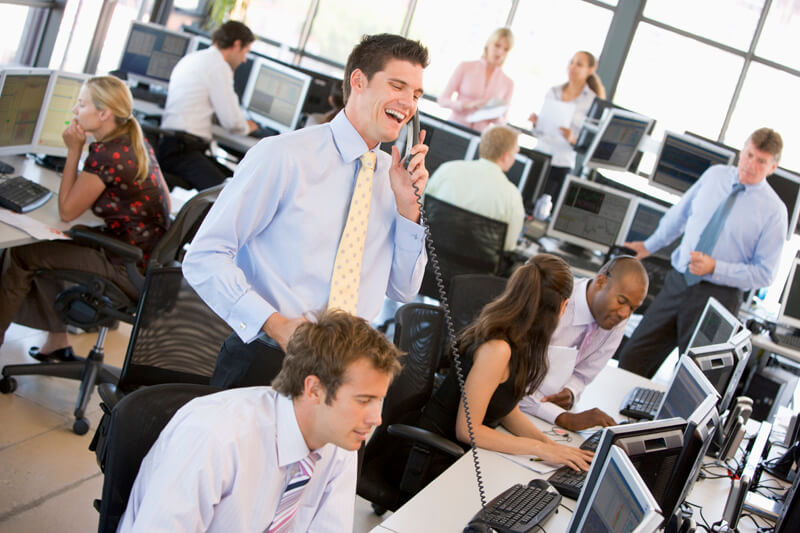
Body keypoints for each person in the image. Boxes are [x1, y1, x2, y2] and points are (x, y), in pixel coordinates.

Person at [182, 34, 431, 389]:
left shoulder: (395, 180)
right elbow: (204, 256)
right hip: (269, 355)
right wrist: (274, 323)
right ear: (358, 81)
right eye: (398, 86)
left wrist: (409, 212)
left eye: (417, 95)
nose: (408, 104)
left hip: (343, 369)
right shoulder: (284, 156)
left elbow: (403, 290)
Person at [117, 310, 402, 532]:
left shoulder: (340, 442)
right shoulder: (214, 438)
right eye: (363, 400)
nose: (375, 419)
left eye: (379, 401)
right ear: (314, 389)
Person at [0, 75, 171, 359]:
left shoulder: (108, 155)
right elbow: (161, 195)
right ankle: (56, 342)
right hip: (145, 263)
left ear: (103, 114)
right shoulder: (134, 140)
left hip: (125, 265)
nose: (74, 112)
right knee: (44, 250)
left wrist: (74, 151)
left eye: (80, 105)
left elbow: (67, 211)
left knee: (23, 254)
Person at [618, 128, 787, 378]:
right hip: (678, 284)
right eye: (749, 155)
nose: (750, 165)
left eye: (761, 161)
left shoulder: (774, 212)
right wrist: (650, 245)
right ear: (742, 150)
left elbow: (765, 274)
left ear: (773, 167)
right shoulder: (714, 176)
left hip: (718, 300)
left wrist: (715, 267)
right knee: (632, 358)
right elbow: (679, 216)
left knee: (695, 381)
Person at [417, 255, 595, 481]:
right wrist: (538, 449)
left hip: (463, 454)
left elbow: (505, 407)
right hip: (434, 457)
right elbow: (468, 430)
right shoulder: (498, 349)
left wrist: (550, 445)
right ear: (563, 306)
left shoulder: (519, 338)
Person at [519, 256, 648, 431]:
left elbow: (583, 375)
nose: (625, 313)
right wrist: (562, 418)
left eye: (633, 308)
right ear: (601, 282)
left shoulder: (615, 321)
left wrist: (570, 393)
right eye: (622, 301)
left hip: (540, 414)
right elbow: (508, 378)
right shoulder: (555, 302)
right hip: (513, 409)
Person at [158, 21, 258, 190]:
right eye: (245, 52)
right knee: (230, 192)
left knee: (232, 180)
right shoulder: (218, 67)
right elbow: (232, 123)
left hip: (171, 146)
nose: (244, 60)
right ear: (236, 44)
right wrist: (249, 127)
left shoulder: (195, 57)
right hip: (183, 151)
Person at [424, 125, 525, 251]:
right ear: (505, 156)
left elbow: (423, 209)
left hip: (429, 259)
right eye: (514, 153)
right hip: (473, 268)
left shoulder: (447, 169)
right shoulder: (512, 195)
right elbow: (508, 246)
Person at [530, 51, 606, 202]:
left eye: (579, 64)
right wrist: (536, 123)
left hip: (561, 163)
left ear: (590, 69)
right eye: (571, 62)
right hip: (539, 155)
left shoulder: (592, 102)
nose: (572, 67)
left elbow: (590, 143)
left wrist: (572, 139)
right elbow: (539, 132)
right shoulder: (554, 91)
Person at [437, 28, 515, 132]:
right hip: (453, 129)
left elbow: (503, 121)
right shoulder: (465, 67)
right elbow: (442, 100)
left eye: (505, 49)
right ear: (488, 44)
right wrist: (467, 105)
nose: (500, 52)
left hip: (480, 137)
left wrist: (494, 115)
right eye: (497, 45)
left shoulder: (508, 83)